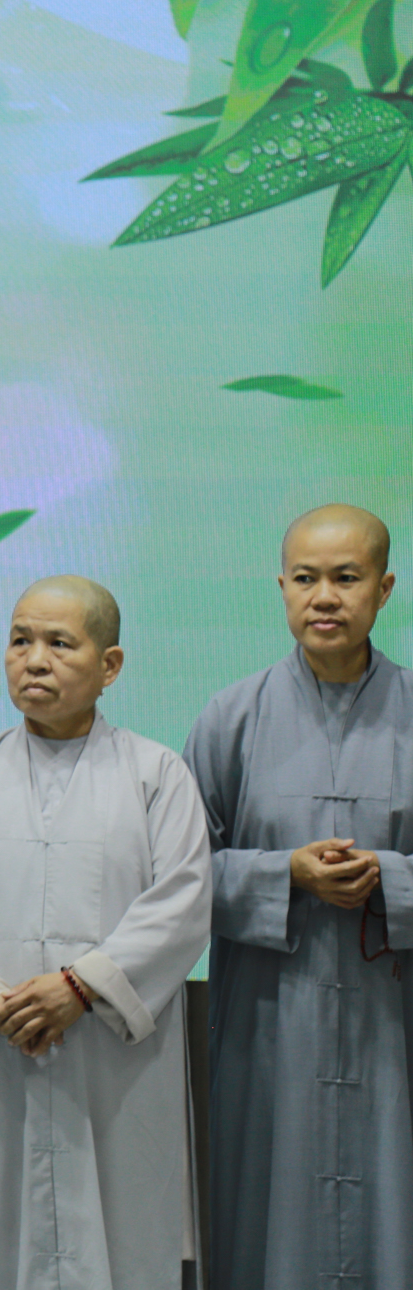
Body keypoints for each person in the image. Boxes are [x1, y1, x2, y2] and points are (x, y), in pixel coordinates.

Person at [0, 577, 211, 1290]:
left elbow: (183, 902)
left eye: (60, 643)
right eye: (20, 640)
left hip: (114, 1069)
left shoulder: (157, 775)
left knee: (124, 1241)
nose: (34, 659)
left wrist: (80, 987)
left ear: (111, 665)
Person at [183, 504, 411, 1290]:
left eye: (347, 578)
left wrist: (390, 877)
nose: (325, 597)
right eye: (306, 578)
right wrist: (285, 874)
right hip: (268, 1023)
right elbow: (176, 877)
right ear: (281, 586)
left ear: (385, 588)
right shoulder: (230, 718)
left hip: (392, 1024)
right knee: (265, 1221)